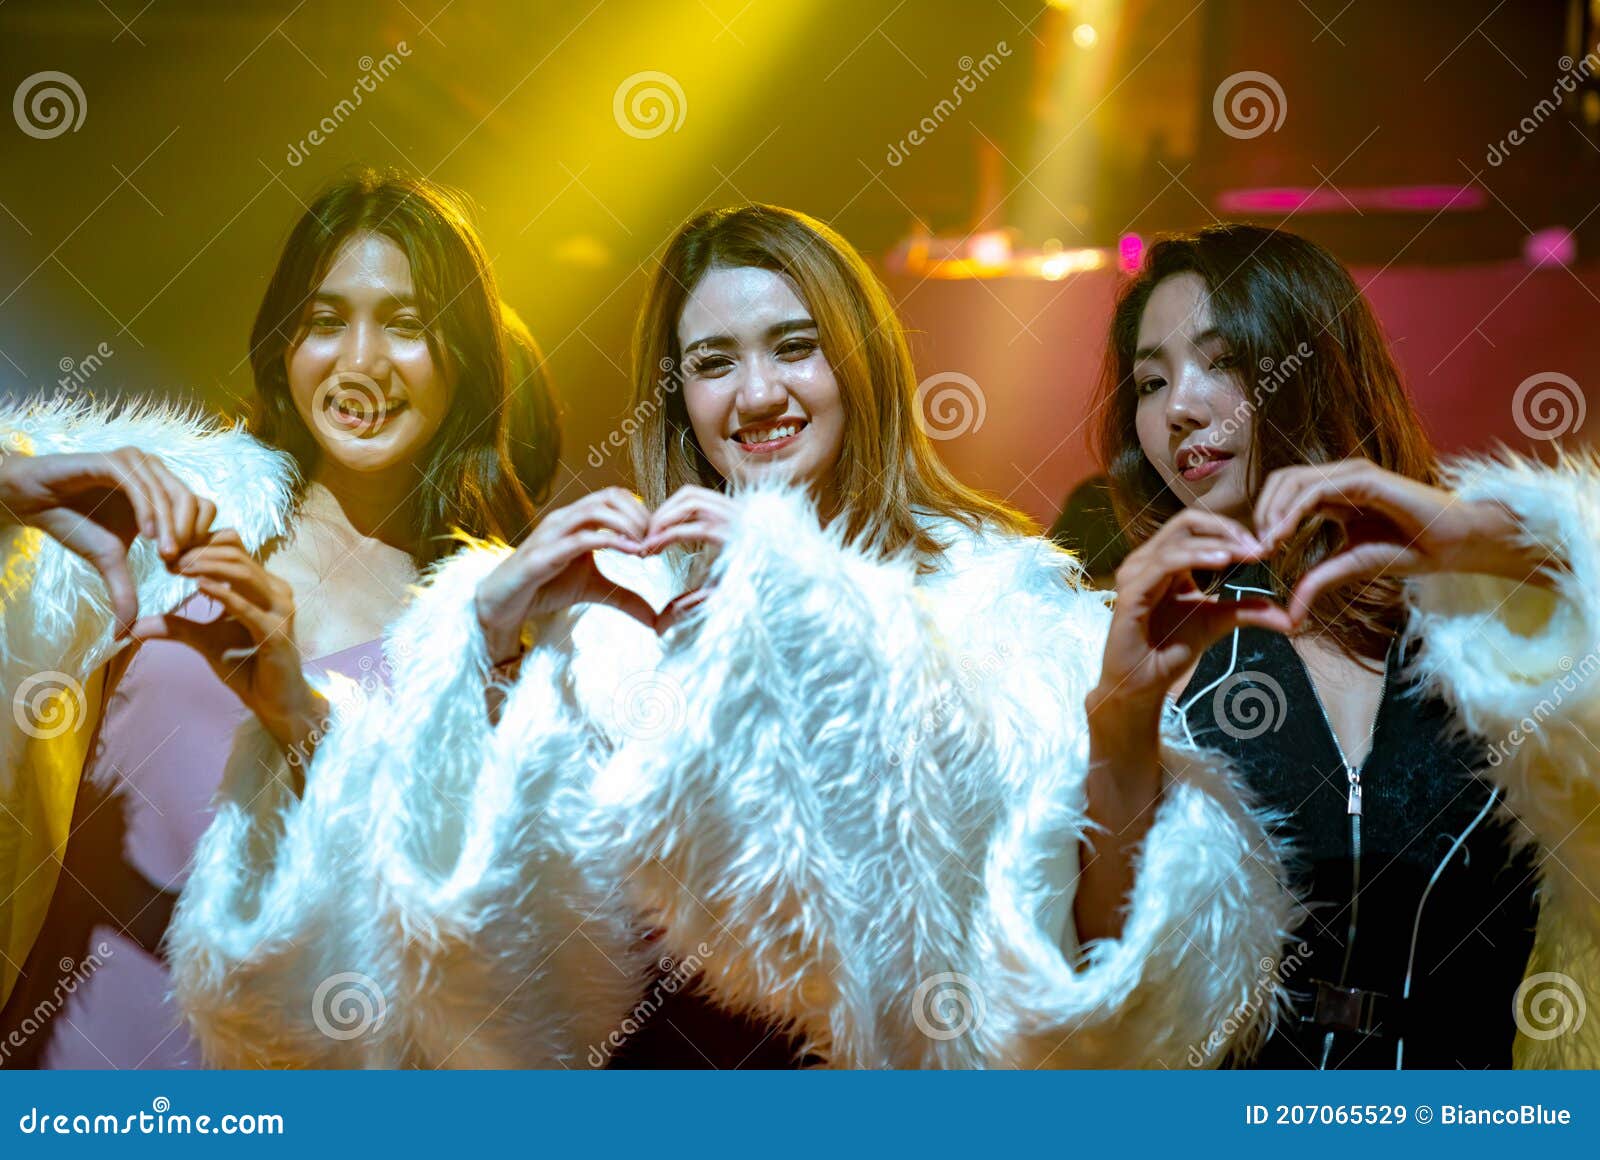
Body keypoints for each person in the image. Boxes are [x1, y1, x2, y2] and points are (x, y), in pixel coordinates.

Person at [167, 203, 1297, 1068]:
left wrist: (1113, 715)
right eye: (712, 363)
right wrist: (491, 632)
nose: (756, 394)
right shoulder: (610, 618)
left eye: (793, 346)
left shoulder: (1000, 607)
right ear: (678, 399)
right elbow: (455, 948)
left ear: (859, 360)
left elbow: (1098, 955)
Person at [0, 167, 556, 1068]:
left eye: (407, 325)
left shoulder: (486, 632)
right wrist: (9, 488)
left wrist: (302, 717)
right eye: (327, 320)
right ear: (285, 344)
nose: (361, 360)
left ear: (465, 357)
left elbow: (473, 958)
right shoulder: (171, 512)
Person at [1079, 223, 1598, 1068]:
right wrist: (1120, 719)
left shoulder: (1493, 639)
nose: (1179, 406)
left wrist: (1473, 536)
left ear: (1311, 368)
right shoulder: (1138, 650)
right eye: (1151, 380)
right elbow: (1092, 972)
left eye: (1224, 362)